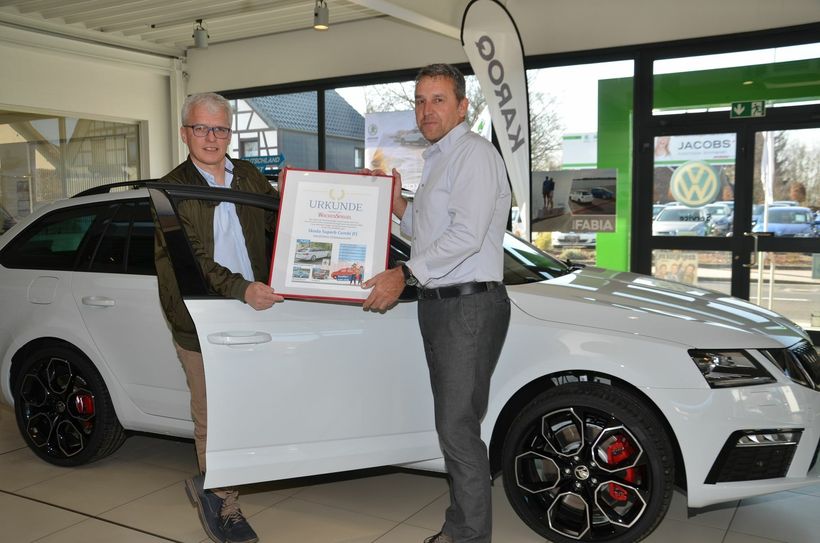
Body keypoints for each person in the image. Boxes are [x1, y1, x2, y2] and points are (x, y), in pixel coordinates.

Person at [362, 64, 511, 543]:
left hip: (466, 306)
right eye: (420, 100)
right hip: (441, 305)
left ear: (463, 106)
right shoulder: (438, 159)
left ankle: (467, 536)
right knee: (455, 427)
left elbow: (466, 237)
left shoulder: (474, 155)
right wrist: (384, 199)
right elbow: (418, 231)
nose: (427, 109)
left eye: (438, 99)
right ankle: (459, 528)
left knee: (457, 428)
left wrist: (403, 274)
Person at [153, 92, 284, 543]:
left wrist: (311, 202)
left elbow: (277, 222)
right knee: (213, 415)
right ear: (184, 132)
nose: (212, 138)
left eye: (221, 129)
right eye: (201, 128)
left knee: (247, 409)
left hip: (253, 313)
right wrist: (241, 289)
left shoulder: (247, 176)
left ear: (231, 133)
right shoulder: (170, 190)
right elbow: (193, 258)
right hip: (202, 319)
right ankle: (224, 503)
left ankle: (214, 482)